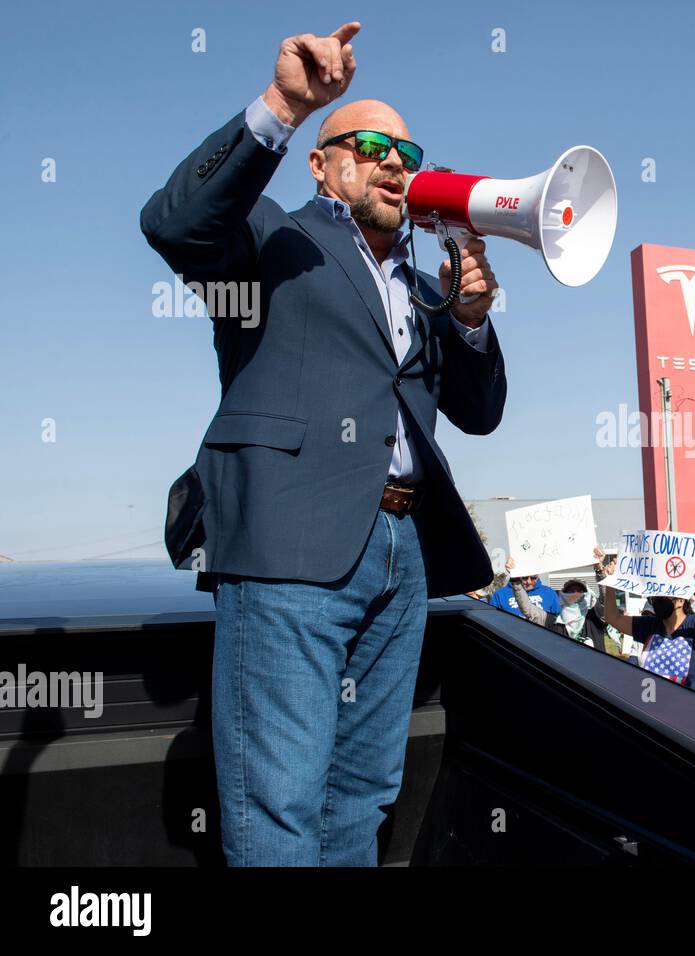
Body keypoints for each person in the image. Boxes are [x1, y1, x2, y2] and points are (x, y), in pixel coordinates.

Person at [140, 23, 508, 866]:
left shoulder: (424, 288)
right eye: (370, 145)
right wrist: (286, 106)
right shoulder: (270, 238)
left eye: (405, 152)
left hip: (401, 552)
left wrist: (471, 323)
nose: (393, 163)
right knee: (280, 802)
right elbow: (174, 223)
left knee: (363, 798)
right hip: (290, 548)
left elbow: (479, 413)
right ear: (322, 162)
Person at [602, 562, 695, 693]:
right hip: (653, 702)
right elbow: (612, 617)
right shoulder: (650, 625)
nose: (658, 601)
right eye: (656, 597)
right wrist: (611, 582)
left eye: (664, 596)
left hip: (689, 706)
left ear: (680, 601)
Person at [491, 558, 563, 625]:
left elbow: (557, 621)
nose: (529, 582)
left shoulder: (549, 593)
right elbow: (493, 620)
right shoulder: (500, 594)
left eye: (533, 578)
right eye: (525, 578)